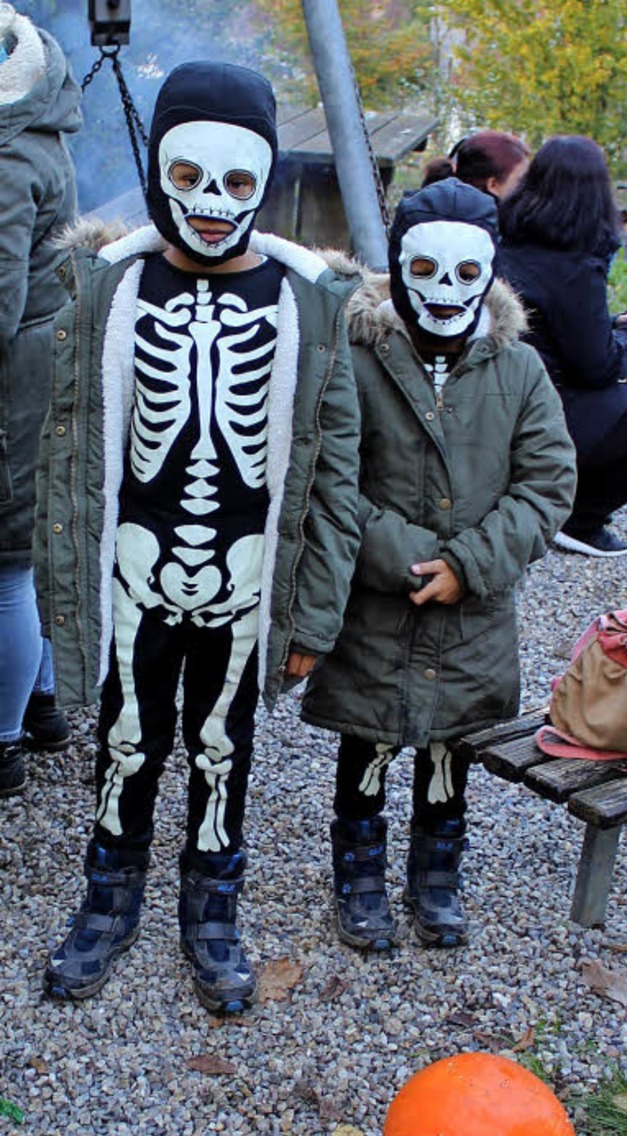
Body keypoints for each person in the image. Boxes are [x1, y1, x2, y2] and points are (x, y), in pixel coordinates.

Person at [34, 59, 361, 1015]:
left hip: (248, 574)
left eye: (234, 180)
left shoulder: (309, 304)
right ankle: (108, 897)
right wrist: (66, 594)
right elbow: (66, 454)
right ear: (154, 169)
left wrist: (314, 607)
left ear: (264, 177)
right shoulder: (107, 292)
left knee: (226, 741)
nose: (211, 205)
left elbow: (334, 471)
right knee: (127, 738)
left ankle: (212, 910)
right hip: (136, 563)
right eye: (187, 178)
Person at [301, 179, 576, 953]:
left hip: (472, 614)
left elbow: (549, 481)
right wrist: (407, 557)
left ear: (490, 274)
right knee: (369, 739)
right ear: (398, 267)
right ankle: (358, 876)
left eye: (466, 275)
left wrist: (470, 562)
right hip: (379, 611)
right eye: (426, 273)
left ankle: (435, 875)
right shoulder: (356, 360)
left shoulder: (519, 372)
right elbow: (328, 475)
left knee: (450, 748)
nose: (446, 294)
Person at [0, 4, 81, 797]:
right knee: (30, 559)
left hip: (11, 381)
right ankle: (45, 705)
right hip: (39, 363)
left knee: (4, 565)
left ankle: (1, 743)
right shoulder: (35, 126)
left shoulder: (3, 156)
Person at [498, 134, 627, 559]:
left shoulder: (508, 239)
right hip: (539, 411)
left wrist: (615, 327)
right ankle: (581, 517)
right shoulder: (574, 263)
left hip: (499, 398)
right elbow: (596, 365)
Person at [422, 129, 530, 200]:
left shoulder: (420, 210)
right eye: (520, 180)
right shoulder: (497, 229)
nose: (527, 187)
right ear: (493, 185)